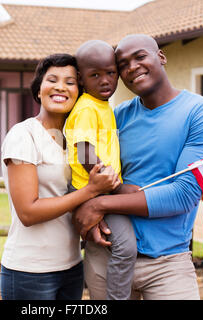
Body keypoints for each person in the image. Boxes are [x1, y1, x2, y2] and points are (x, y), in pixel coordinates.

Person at [72, 34, 203, 300]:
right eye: (122, 64)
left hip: (167, 265)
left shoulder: (200, 112)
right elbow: (82, 162)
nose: (132, 67)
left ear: (161, 57)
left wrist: (100, 205)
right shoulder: (117, 116)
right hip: (108, 256)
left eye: (140, 56)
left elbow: (184, 195)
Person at [0, 53, 120, 300]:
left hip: (72, 266)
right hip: (30, 271)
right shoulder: (24, 135)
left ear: (80, 91)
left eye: (70, 82)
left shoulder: (77, 140)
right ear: (39, 90)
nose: (60, 87)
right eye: (52, 79)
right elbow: (28, 213)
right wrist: (91, 190)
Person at [64, 40, 138, 300]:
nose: (105, 80)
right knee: (126, 247)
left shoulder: (103, 106)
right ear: (82, 79)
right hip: (92, 189)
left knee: (115, 243)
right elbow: (85, 151)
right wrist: (118, 187)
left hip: (100, 188)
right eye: (95, 75)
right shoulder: (86, 108)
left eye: (110, 73)